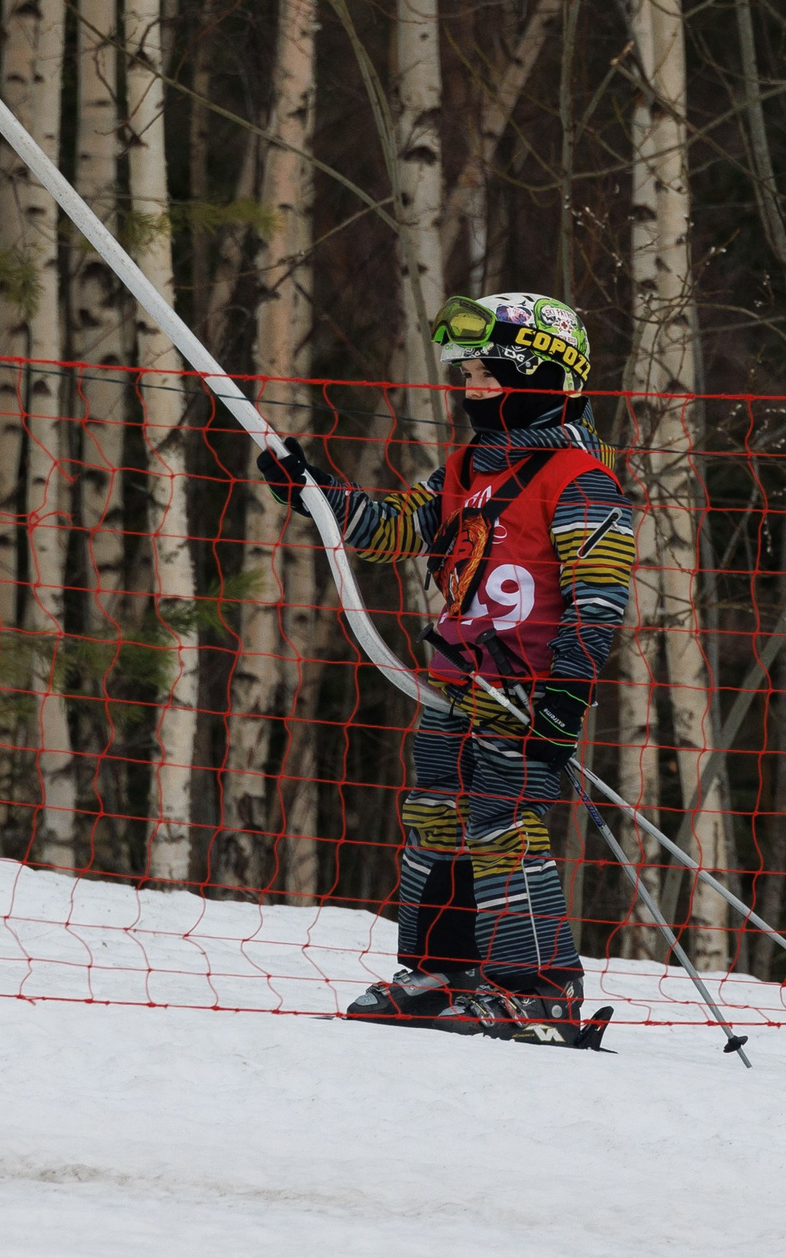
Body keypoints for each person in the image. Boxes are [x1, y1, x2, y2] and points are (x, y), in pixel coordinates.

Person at [258, 293, 633, 1045]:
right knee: (435, 817)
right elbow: (394, 527)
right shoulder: (466, 467)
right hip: (454, 681)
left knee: (501, 823)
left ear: (544, 377)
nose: (471, 389)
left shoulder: (580, 478)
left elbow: (601, 601)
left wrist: (565, 696)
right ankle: (442, 974)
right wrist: (313, 494)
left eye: (489, 376)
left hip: (525, 690)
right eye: (466, 375)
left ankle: (538, 991)